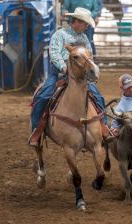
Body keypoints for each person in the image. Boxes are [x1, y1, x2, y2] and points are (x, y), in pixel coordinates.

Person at [29, 7, 108, 146]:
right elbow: (54, 54)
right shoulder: (60, 35)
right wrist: (64, 67)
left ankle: (104, 127)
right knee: (43, 96)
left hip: (80, 76)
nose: (87, 26)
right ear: (77, 22)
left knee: (99, 97)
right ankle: (37, 130)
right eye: (85, 23)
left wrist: (92, 69)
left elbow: (89, 56)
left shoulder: (84, 38)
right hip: (59, 73)